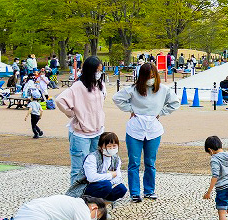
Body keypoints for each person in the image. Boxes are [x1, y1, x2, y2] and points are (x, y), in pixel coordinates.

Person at [112, 63, 181, 203]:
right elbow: (117, 98)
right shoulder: (134, 89)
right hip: (135, 128)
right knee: (134, 162)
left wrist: (161, 112)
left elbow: (175, 103)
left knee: (150, 162)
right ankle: (135, 193)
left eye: (153, 76)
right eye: (148, 77)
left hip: (153, 129)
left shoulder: (163, 89)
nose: (151, 79)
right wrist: (131, 109)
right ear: (142, 77)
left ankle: (149, 190)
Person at [55, 56, 107, 186]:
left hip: (97, 130)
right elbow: (60, 100)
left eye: (100, 70)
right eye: (97, 71)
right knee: (79, 167)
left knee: (95, 166)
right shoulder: (78, 86)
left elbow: (102, 100)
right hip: (80, 133)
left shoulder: (100, 84)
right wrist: (73, 113)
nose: (99, 73)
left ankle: (92, 193)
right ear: (90, 70)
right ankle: (76, 195)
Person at [82, 132, 128, 202]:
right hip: (89, 186)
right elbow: (91, 177)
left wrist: (111, 182)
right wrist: (110, 175)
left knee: (121, 188)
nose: (112, 149)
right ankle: (90, 202)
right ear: (101, 147)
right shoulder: (92, 157)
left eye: (114, 146)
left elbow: (118, 176)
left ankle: (104, 203)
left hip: (107, 185)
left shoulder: (116, 159)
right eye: (109, 147)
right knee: (106, 185)